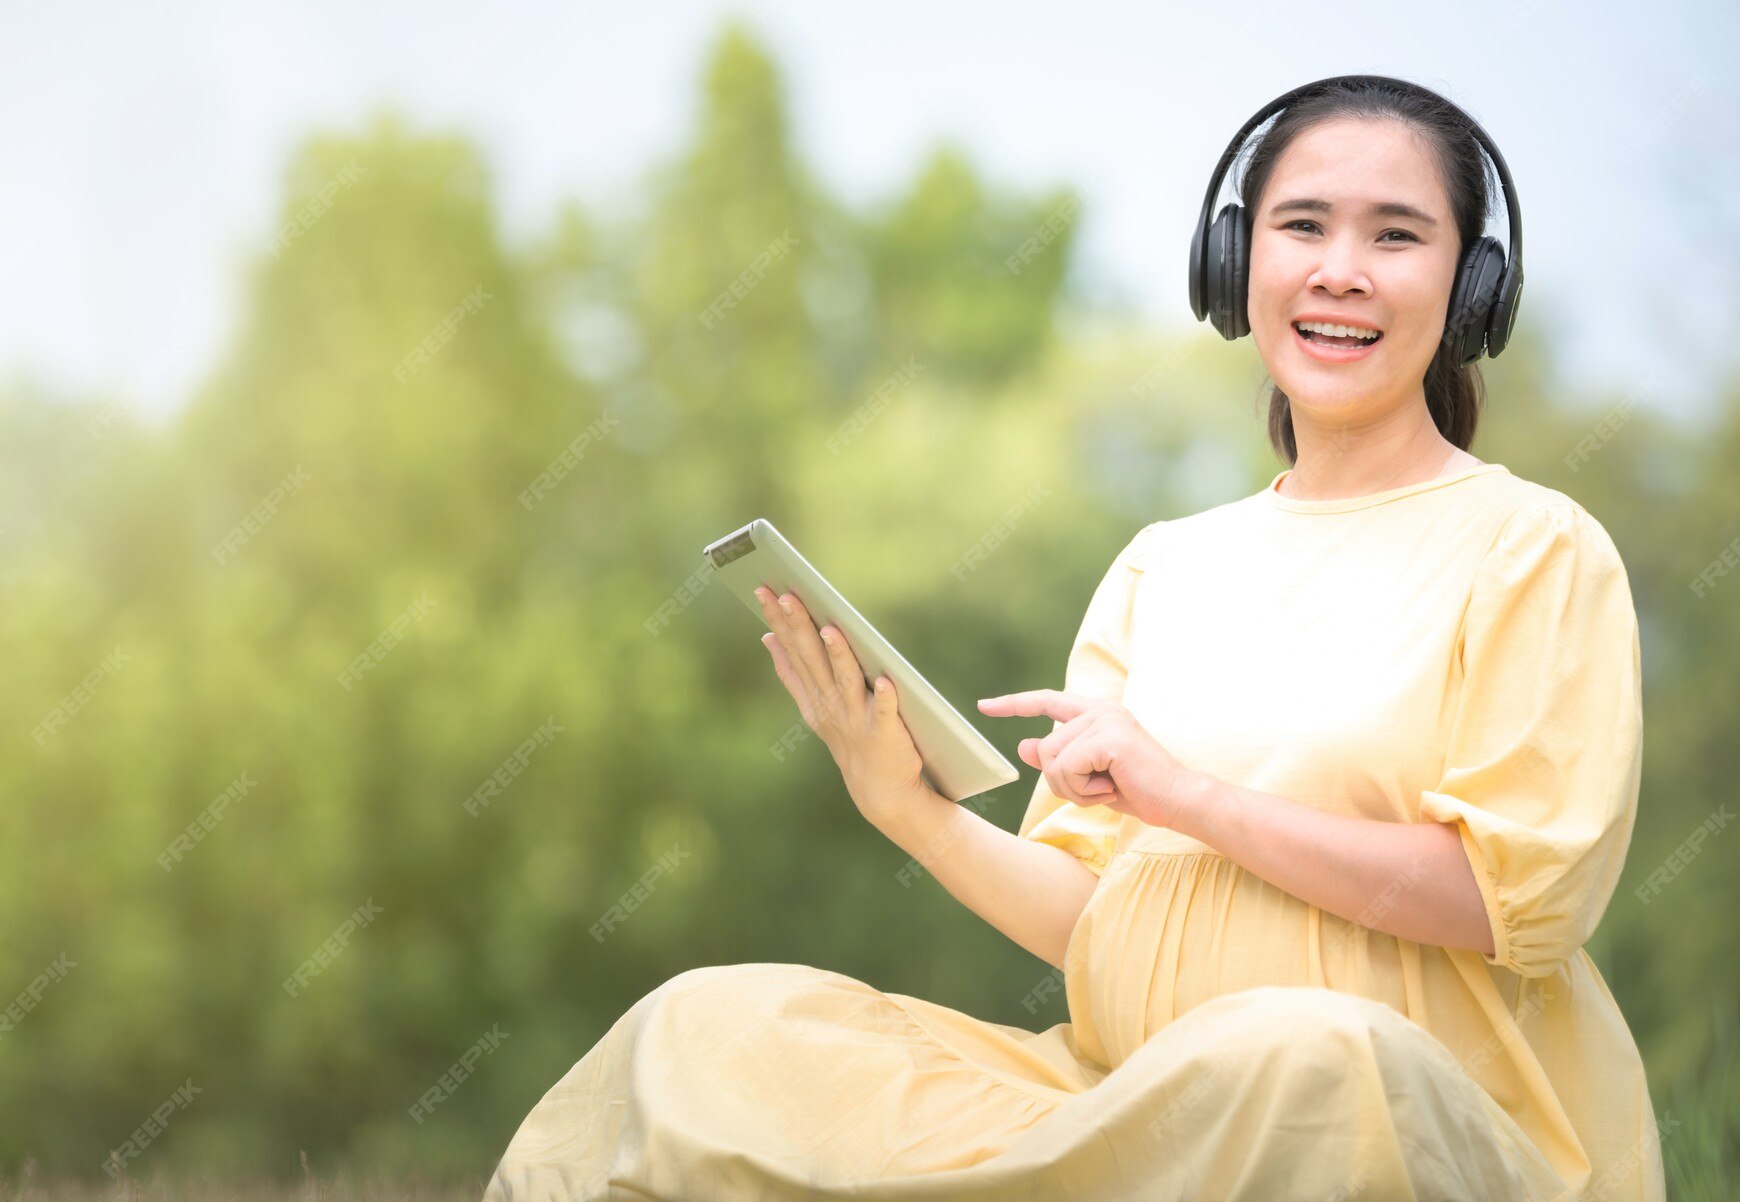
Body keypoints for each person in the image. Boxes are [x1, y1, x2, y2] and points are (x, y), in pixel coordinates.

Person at [482, 75, 1667, 1201]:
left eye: (1395, 236)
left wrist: (1187, 796)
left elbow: (1509, 901)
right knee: (713, 1031)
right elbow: (1088, 913)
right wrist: (905, 804)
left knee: (1308, 1058)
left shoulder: (1532, 549)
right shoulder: (1166, 563)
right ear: (1234, 262)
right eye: (1302, 225)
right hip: (1126, 1100)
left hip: (1399, 1114)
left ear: (1471, 289)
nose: (1340, 271)